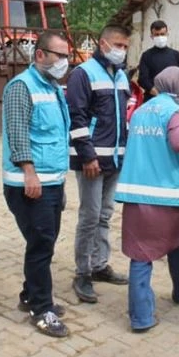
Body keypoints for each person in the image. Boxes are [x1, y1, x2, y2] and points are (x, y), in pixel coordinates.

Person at [115, 67, 179, 332]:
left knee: (140, 254)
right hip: (167, 195)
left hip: (135, 193)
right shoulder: (174, 111)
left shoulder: (141, 110)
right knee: (177, 242)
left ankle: (141, 316)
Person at [1, 31, 71, 338]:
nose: (65, 61)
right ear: (40, 55)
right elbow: (18, 134)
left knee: (44, 242)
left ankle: (30, 295)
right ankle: (42, 309)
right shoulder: (22, 87)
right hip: (30, 182)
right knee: (41, 245)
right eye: (59, 55)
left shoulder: (52, 87)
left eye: (67, 55)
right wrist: (29, 172)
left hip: (51, 180)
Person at [67, 24, 131, 303]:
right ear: (102, 44)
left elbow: (123, 117)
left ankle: (100, 265)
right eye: (118, 45)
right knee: (90, 217)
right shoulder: (83, 74)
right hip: (92, 160)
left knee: (105, 215)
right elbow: (77, 117)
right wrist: (87, 156)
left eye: (125, 46)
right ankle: (82, 273)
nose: (122, 51)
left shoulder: (121, 76)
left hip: (115, 158)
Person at [137, 20, 179, 102]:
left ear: (167, 34)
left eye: (162, 34)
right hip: (152, 99)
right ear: (151, 36)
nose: (160, 37)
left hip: (173, 100)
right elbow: (142, 79)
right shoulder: (146, 55)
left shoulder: (176, 55)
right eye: (156, 35)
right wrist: (156, 92)